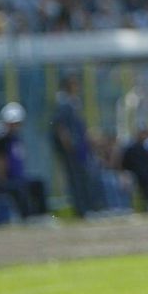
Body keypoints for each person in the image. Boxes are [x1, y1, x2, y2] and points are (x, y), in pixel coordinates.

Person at [0, 102, 47, 221]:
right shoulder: (0, 140)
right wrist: (3, 180)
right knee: (17, 188)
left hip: (15, 178)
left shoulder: (15, 139)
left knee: (38, 184)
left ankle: (41, 215)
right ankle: (27, 217)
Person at [50, 75, 97, 218]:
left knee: (83, 177)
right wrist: (68, 145)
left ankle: (87, 208)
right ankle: (81, 210)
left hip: (80, 148)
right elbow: (60, 126)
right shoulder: (63, 102)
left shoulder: (74, 101)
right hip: (72, 149)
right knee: (75, 179)